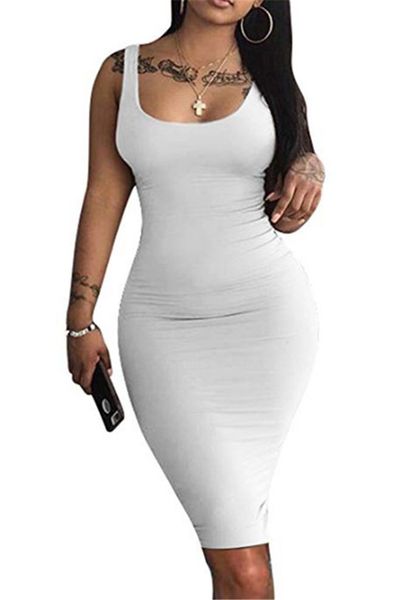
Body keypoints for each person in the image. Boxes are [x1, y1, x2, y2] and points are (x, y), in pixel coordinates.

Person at [66, 1, 325, 597]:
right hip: (163, 330)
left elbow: (297, 172)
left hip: (267, 323)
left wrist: (310, 170)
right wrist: (80, 319)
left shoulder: (274, 80)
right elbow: (103, 192)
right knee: (240, 555)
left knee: (240, 550)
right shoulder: (120, 73)